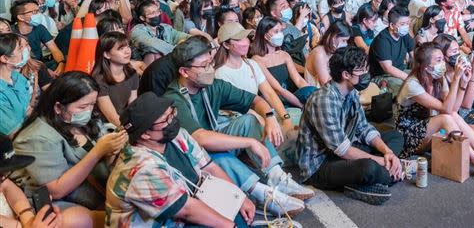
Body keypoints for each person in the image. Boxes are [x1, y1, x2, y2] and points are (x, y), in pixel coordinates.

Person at [162, 37, 312, 216]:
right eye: (204, 66)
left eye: (210, 62)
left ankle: (276, 177)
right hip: (192, 158)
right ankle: (261, 194)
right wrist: (249, 142)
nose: (210, 69)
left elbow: (254, 100)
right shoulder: (173, 99)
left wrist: (271, 117)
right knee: (218, 156)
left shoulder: (212, 85)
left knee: (249, 121)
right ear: (184, 72)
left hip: (210, 139)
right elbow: (201, 138)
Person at [107, 93, 255, 227]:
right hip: (174, 220)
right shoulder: (140, 169)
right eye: (165, 119)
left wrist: (239, 198)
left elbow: (209, 168)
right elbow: (186, 209)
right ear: (145, 134)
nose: (172, 121)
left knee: (240, 214)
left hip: (192, 207)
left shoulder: (178, 137)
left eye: (172, 113)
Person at [395, 42, 474, 187]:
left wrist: (462, 84)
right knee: (446, 118)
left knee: (453, 117)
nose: (443, 63)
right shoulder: (412, 84)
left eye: (443, 59)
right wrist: (455, 80)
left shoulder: (438, 79)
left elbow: (454, 109)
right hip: (407, 136)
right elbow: (446, 110)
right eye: (439, 60)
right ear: (427, 67)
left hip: (427, 131)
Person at [13, 72, 128, 228]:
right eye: (82, 106)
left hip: (97, 190)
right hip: (63, 204)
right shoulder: (36, 138)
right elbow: (56, 190)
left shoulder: (83, 121)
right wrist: (98, 152)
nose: (89, 110)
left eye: (92, 104)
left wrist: (111, 151)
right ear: (58, 107)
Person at [297, 47, 404, 205]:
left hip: (343, 150)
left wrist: (387, 153)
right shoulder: (324, 100)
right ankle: (389, 172)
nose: (366, 74)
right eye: (361, 71)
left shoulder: (351, 92)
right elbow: (342, 149)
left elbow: (364, 129)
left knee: (396, 136)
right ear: (346, 75)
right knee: (369, 168)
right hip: (321, 164)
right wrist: (382, 161)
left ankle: (380, 174)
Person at [213, 22, 298, 133]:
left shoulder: (251, 64)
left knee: (296, 118)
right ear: (226, 45)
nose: (245, 43)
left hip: (261, 112)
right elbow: (237, 110)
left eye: (246, 38)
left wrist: (285, 117)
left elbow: (270, 93)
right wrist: (268, 121)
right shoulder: (220, 73)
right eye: (238, 40)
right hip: (239, 121)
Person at [0, 133, 64, 228]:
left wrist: (27, 219)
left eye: (4, 174)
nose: (2, 179)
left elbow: (7, 186)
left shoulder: (3, 180)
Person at [250, 16, 315, 108]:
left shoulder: (284, 55)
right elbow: (278, 89)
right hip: (272, 100)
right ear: (265, 35)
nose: (280, 34)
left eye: (280, 31)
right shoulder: (257, 59)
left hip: (289, 96)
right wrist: (301, 106)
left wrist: (311, 93)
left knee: (311, 91)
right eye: (276, 31)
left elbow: (298, 80)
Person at [90, 32, 138, 126]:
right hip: (103, 125)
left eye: (128, 46)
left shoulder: (132, 73)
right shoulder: (99, 80)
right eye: (121, 49)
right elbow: (112, 118)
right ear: (107, 54)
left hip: (124, 120)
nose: (128, 51)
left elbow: (133, 106)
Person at [368, 7, 414, 95]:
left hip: (401, 70)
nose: (406, 26)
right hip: (383, 76)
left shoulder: (404, 35)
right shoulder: (382, 40)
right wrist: (409, 78)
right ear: (392, 25)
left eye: (407, 23)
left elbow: (414, 54)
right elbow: (388, 68)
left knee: (422, 79)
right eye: (403, 24)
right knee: (406, 87)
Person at [12, 0, 65, 73]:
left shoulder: (40, 28)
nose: (39, 14)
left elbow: (54, 49)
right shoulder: (11, 33)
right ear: (20, 17)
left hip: (40, 64)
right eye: (34, 12)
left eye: (38, 10)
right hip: (21, 68)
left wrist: (61, 63)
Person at [129, 0, 190, 65]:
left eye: (157, 11)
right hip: (146, 67)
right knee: (155, 56)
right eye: (152, 13)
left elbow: (180, 35)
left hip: (171, 61)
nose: (156, 15)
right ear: (142, 18)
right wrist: (179, 52)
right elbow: (153, 44)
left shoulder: (165, 27)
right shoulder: (137, 31)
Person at [0, 33, 32, 136]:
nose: (27, 50)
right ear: (5, 58)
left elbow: (28, 110)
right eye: (20, 48)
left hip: (30, 130)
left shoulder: (18, 78)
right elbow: (13, 135)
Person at [305, 21, 350, 87]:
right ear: (333, 38)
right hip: (318, 93)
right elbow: (326, 84)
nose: (346, 44)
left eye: (347, 41)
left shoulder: (333, 52)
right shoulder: (319, 53)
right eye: (343, 40)